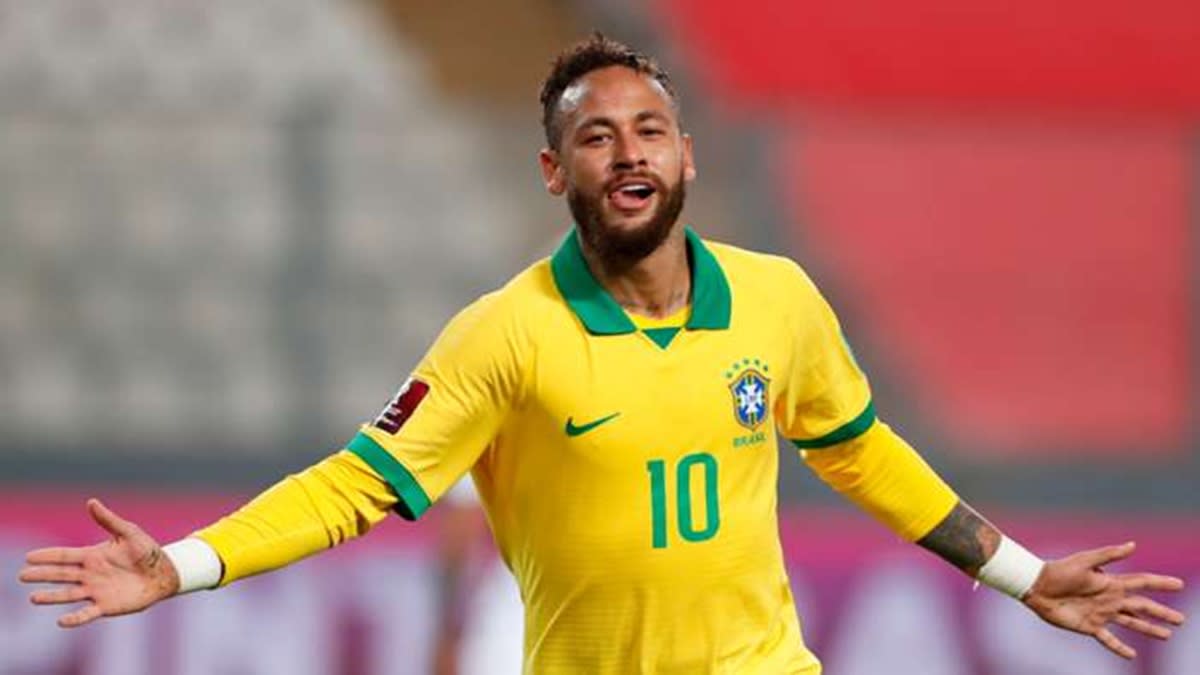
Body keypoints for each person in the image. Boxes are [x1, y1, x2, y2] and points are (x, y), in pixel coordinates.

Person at [18, 34, 1186, 674]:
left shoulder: (776, 302)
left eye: (649, 131)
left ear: (688, 157)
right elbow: (357, 484)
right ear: (553, 173)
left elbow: (860, 453)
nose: (626, 153)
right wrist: (184, 565)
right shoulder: (505, 334)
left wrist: (1025, 579)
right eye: (594, 136)